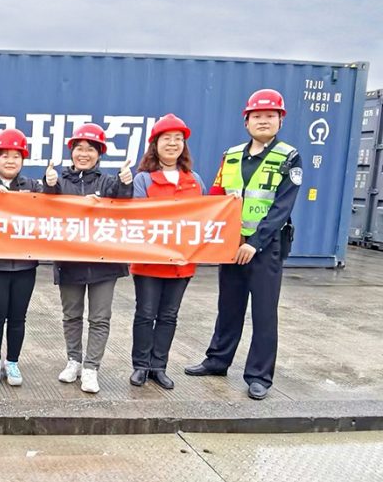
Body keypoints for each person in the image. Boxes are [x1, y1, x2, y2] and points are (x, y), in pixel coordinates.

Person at [185, 89, 302, 400]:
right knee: (229, 306)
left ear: (280, 120)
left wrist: (255, 242)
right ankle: (217, 360)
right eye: (257, 116)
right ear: (246, 121)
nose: (263, 121)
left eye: (270, 115)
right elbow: (217, 195)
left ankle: (259, 376)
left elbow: (282, 207)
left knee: (264, 313)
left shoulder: (288, 157)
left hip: (266, 247)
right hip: (231, 245)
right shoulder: (232, 155)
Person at [42, 123, 133, 394]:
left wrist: (125, 183)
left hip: (104, 264)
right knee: (71, 315)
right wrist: (49, 185)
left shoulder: (108, 182)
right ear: (71, 152)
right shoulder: (61, 182)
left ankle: (91, 368)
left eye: (90, 149)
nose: (84, 154)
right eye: (79, 148)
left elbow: (124, 204)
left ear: (99, 154)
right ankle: (74, 361)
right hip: (70, 262)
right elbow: (45, 206)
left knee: (100, 318)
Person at [128, 114, 205, 390]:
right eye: (166, 139)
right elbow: (138, 215)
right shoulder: (144, 179)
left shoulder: (194, 180)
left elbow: (204, 215)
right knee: (145, 313)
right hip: (149, 262)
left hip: (181, 263)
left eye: (178, 139)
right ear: (155, 144)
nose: (172, 144)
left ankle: (158, 366)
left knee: (169, 316)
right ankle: (140, 366)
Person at [0, 128, 43, 387]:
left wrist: (38, 194)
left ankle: (12, 362)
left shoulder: (33, 188)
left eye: (16, 156)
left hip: (25, 266)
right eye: (5, 156)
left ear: (23, 160)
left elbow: (51, 207)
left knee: (18, 317)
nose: (10, 161)